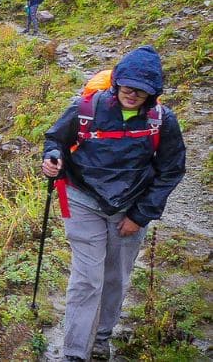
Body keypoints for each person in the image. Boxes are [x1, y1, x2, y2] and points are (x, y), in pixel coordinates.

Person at [42, 45, 186, 362]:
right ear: (117, 81)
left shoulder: (162, 121)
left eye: (142, 91)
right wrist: (52, 158)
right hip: (82, 200)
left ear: (153, 93)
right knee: (87, 278)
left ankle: (101, 339)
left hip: (131, 208)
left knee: (115, 278)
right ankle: (75, 352)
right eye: (128, 86)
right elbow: (55, 140)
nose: (132, 94)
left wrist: (140, 215)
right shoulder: (85, 108)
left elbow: (171, 170)